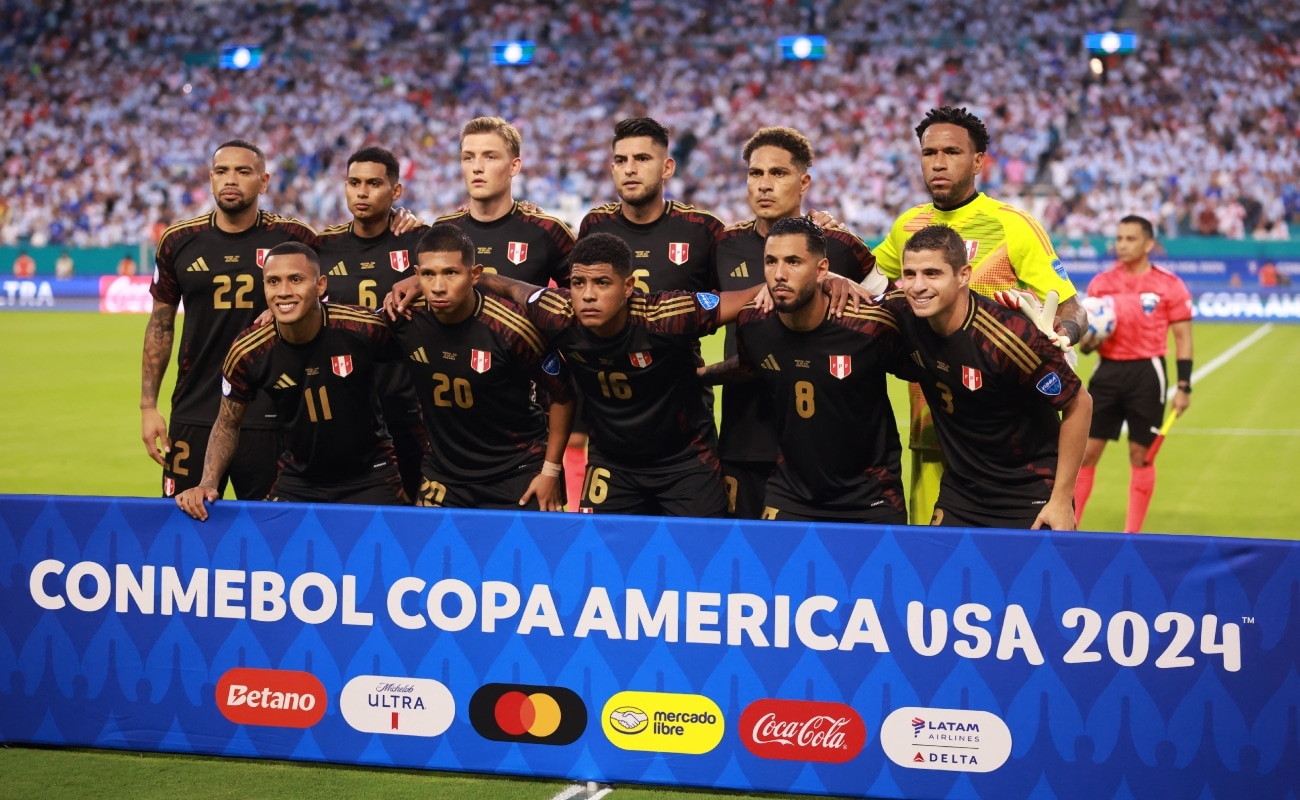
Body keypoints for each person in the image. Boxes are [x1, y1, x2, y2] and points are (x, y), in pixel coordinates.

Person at [871, 106, 1087, 526]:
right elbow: (870, 287)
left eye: (951, 151)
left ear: (977, 161)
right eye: (928, 151)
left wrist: (1065, 334)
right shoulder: (907, 225)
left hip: (1009, 431)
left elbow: (1070, 306)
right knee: (933, 567)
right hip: (932, 425)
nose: (937, 162)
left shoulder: (1013, 225)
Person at [470, 232, 761, 517]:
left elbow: (748, 297)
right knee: (598, 560)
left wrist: (795, 280)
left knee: (699, 557)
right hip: (611, 462)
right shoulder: (558, 312)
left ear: (628, 286)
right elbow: (513, 288)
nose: (587, 295)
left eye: (602, 283)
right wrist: (469, 276)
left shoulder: (665, 316)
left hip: (684, 459)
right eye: (578, 283)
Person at [174, 242, 409, 519]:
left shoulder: (361, 328)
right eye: (273, 281)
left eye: (296, 279)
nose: (284, 292)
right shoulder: (249, 351)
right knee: (273, 555)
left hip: (371, 475)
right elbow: (227, 424)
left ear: (320, 286)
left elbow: (422, 350)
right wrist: (208, 483)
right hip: (299, 480)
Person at [713, 126, 878, 518]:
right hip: (746, 437)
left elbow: (888, 307)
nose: (764, 185)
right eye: (756, 174)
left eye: (778, 173)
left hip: (828, 449)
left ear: (803, 182)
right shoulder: (723, 243)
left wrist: (839, 277)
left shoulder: (840, 245)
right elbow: (696, 306)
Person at [882, 224, 1092, 530]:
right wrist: (835, 282)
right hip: (961, 494)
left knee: (1032, 579)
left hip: (1028, 493)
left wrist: (1060, 500)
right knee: (941, 575)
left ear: (964, 275)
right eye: (909, 274)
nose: (917, 286)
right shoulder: (903, 314)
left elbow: (1079, 405)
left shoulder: (1010, 338)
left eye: (932, 273)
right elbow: (862, 294)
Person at [141, 140, 319, 500]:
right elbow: (160, 325)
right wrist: (148, 406)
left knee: (271, 532)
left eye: (243, 171)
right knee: (184, 528)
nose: (231, 180)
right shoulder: (178, 241)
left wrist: (400, 220)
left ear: (264, 181)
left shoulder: (294, 238)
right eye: (222, 172)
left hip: (270, 412)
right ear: (210, 180)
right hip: (195, 410)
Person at [728, 216, 907, 523]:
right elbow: (748, 368)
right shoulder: (752, 324)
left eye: (793, 262)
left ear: (822, 269)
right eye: (771, 262)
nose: (779, 274)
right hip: (791, 493)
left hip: (869, 495)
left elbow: (922, 364)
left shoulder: (871, 326)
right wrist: (699, 375)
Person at [387, 224, 574, 511]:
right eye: (428, 275)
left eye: (450, 273)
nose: (438, 286)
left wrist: (550, 471)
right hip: (444, 475)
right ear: (416, 276)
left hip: (517, 469)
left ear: (475, 274)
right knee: (430, 555)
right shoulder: (404, 318)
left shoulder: (512, 328)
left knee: (532, 556)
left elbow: (563, 394)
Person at [317, 146, 428, 501]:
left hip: (407, 408)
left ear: (395, 191)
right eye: (354, 182)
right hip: (340, 408)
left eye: (374, 184)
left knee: (416, 514)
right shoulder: (321, 247)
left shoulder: (419, 242)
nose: (362, 192)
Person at [1074, 215, 1193, 533]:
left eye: (1130, 239)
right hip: (1108, 371)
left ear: (1149, 244)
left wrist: (1184, 386)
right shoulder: (1101, 283)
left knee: (1141, 456)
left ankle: (1132, 536)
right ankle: (1067, 530)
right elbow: (1086, 345)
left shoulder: (1169, 284)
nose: (1122, 245)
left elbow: (1183, 337)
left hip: (1147, 373)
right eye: (1119, 238)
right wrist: (1090, 341)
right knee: (1085, 454)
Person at [578, 117, 725, 294]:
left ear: (667, 168)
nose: (629, 169)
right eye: (621, 160)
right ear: (612, 169)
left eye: (642, 158)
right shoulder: (595, 224)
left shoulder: (703, 229)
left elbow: (735, 298)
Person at [436, 116, 575, 285]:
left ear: (514, 166)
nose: (477, 168)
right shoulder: (442, 231)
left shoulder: (547, 231)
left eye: (490, 157)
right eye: (468, 158)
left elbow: (579, 299)